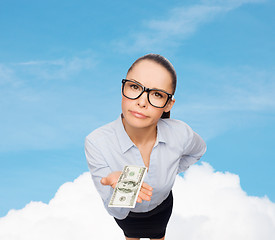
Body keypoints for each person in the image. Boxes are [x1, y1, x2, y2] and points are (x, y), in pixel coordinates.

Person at [85, 53, 206, 240]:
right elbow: (116, 211)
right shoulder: (97, 142)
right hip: (128, 217)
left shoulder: (180, 133)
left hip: (162, 208)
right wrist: (117, 188)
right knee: (131, 236)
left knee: (159, 235)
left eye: (156, 94)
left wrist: (172, 168)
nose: (142, 102)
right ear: (122, 88)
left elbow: (198, 151)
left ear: (168, 104)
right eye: (134, 87)